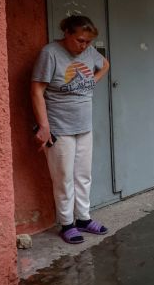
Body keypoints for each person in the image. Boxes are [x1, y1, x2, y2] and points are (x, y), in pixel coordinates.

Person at [31, 15, 110, 244]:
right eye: (80, 40)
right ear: (67, 33)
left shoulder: (88, 52)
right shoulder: (50, 53)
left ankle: (83, 219)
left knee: (83, 175)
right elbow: (36, 90)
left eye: (88, 42)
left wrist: (92, 81)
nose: (84, 46)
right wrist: (44, 126)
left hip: (84, 125)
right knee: (63, 177)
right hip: (59, 127)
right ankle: (67, 224)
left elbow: (105, 64)